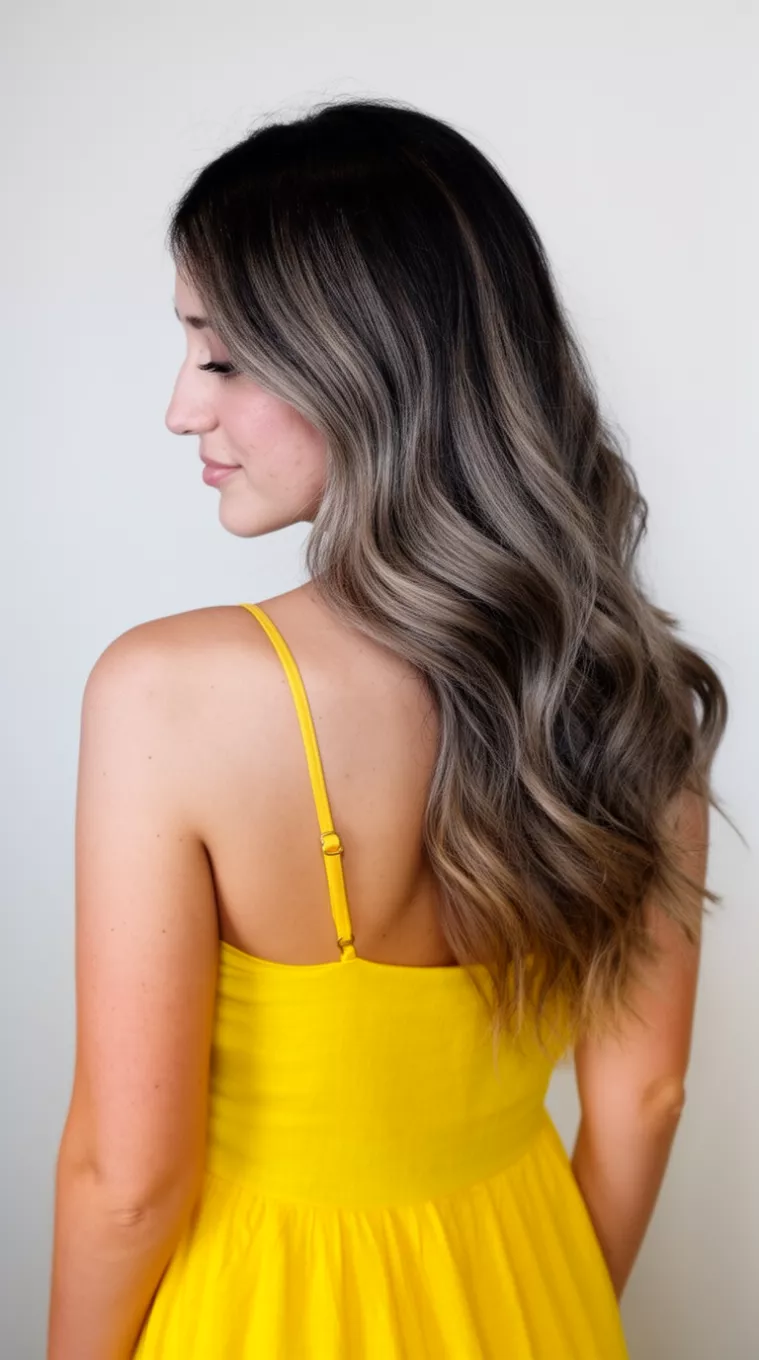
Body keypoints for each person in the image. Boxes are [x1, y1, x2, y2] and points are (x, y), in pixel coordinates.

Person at [47, 96, 731, 1359]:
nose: (180, 409)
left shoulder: (166, 694)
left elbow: (125, 1179)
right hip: (530, 1295)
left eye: (221, 354)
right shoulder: (629, 686)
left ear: (366, 358)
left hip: (261, 1316)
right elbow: (644, 1095)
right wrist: (552, 1309)